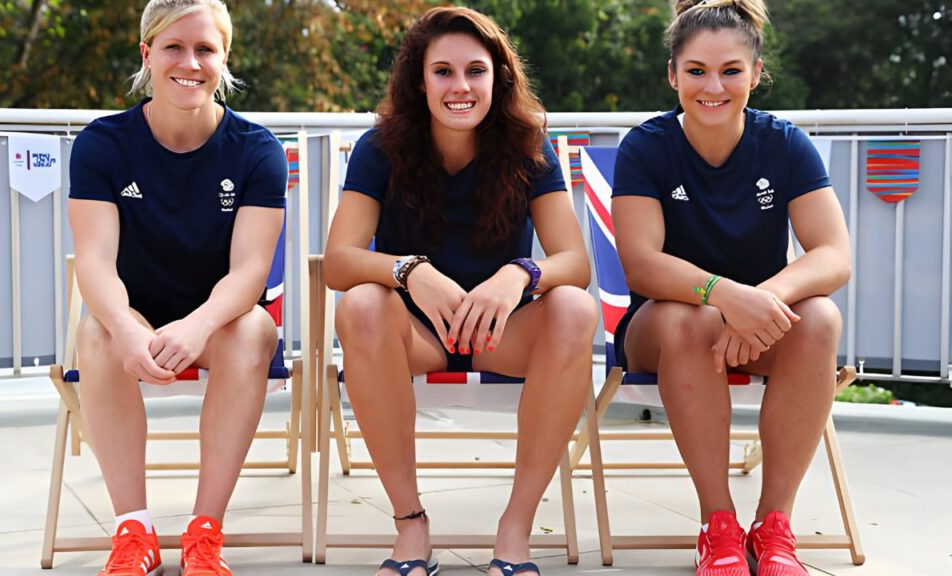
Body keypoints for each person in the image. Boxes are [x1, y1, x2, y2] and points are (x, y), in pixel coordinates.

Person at [323, 7, 596, 576]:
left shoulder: (529, 146)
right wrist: (410, 271)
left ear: (498, 78)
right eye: (442, 71)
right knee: (362, 303)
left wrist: (519, 273)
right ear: (418, 80)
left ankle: (515, 529)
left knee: (572, 306)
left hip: (503, 333)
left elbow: (574, 261)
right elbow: (339, 262)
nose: (461, 87)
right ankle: (410, 527)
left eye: (476, 70)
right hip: (416, 333)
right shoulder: (383, 148)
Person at [610, 1, 852, 575]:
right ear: (672, 75)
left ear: (756, 72)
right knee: (688, 320)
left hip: (757, 322)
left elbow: (834, 254)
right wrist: (726, 297)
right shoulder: (646, 147)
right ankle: (717, 525)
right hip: (662, 329)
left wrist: (758, 304)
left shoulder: (784, 143)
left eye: (730, 71)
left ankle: (774, 527)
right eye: (695, 71)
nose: (712, 86)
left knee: (820, 318)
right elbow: (641, 265)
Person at [68, 1, 287, 574]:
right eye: (173, 47)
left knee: (255, 330)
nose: (189, 63)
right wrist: (124, 329)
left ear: (224, 59)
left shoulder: (256, 150)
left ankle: (204, 532)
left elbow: (249, 272)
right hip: (135, 315)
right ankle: (132, 531)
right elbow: (93, 262)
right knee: (95, 333)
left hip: (220, 321)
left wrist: (199, 325)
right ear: (147, 54)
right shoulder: (103, 144)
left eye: (205, 49)